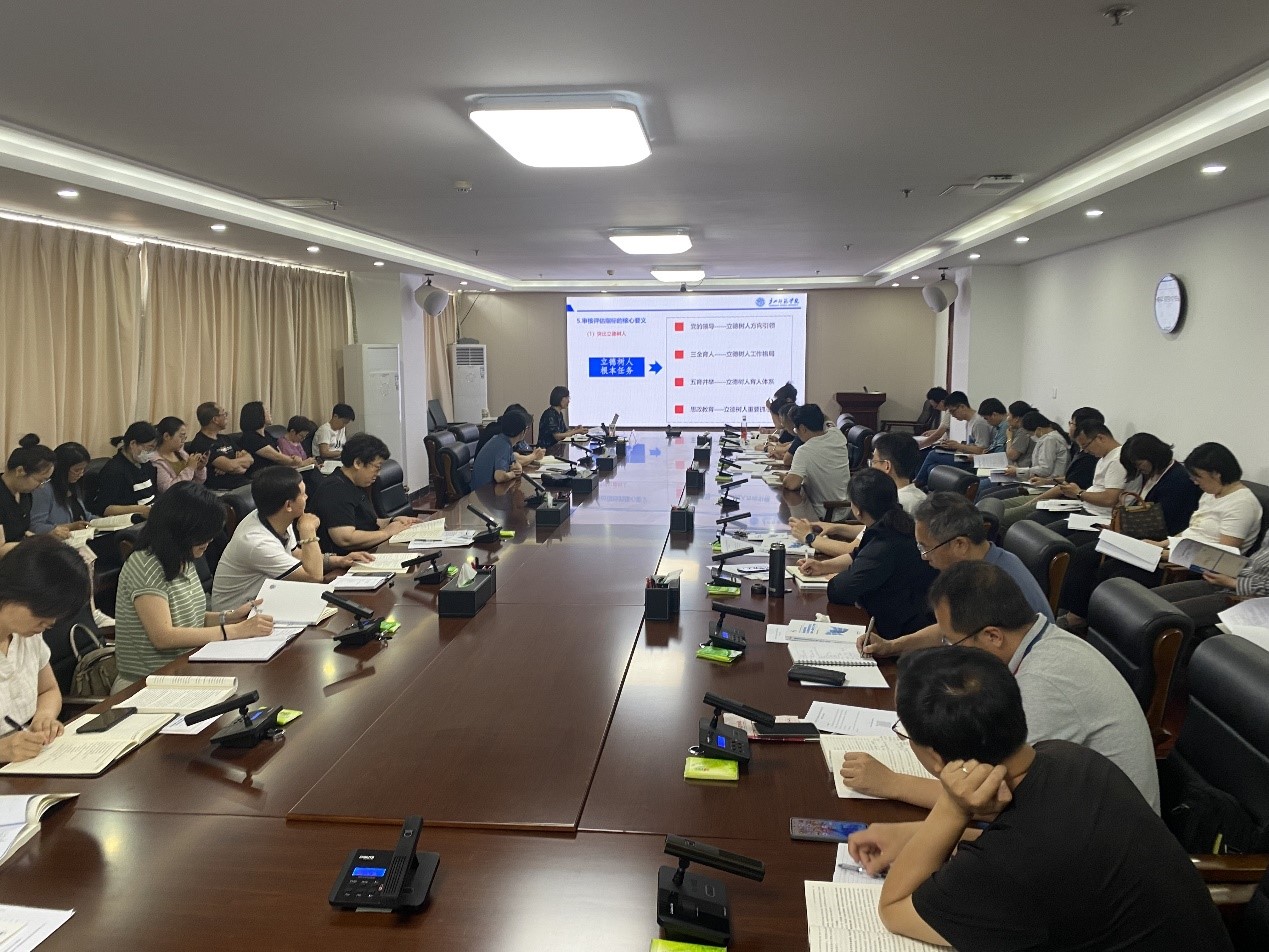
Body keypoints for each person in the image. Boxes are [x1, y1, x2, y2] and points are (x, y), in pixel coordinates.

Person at [846, 645, 1231, 951]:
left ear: (934, 756)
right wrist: (916, 834)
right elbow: (1031, 840)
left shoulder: (1009, 869)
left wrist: (952, 805)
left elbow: (895, 908)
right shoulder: (1067, 756)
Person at [841, 561, 1159, 811]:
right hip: (1071, 815)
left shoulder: (1044, 684)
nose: (950, 652)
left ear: (992, 635)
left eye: (953, 642)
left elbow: (993, 799)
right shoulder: (1040, 640)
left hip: (1103, 848)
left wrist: (892, 783)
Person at [112, 482, 274, 689]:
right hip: (147, 682)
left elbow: (190, 620)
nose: (209, 540)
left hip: (185, 669)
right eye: (203, 534)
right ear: (181, 530)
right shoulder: (145, 565)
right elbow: (163, 636)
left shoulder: (183, 558)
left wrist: (229, 617)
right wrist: (234, 631)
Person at [856, 491, 1054, 659]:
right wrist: (891, 646)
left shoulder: (992, 584)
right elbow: (950, 628)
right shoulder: (981, 565)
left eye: (926, 548)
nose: (924, 557)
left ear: (960, 544)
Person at [1055, 433, 1203, 622]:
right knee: (1082, 553)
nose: (1138, 469)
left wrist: (1126, 531)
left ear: (1152, 456)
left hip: (1157, 540)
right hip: (1139, 535)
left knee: (1095, 561)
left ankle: (1080, 616)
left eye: (1139, 464)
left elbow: (1168, 523)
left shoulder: (1178, 480)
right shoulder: (1152, 474)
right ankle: (1073, 610)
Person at [798, 468, 937, 637]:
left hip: (900, 631)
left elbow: (839, 591)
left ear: (858, 510)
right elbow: (858, 554)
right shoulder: (897, 522)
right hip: (912, 615)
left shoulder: (885, 541)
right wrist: (823, 566)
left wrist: (844, 575)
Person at [211, 466, 372, 610]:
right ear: (288, 505)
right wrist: (308, 530)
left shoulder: (276, 516)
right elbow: (314, 578)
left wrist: (339, 560)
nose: (307, 497)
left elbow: (295, 555)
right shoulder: (257, 542)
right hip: (238, 616)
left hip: (267, 600)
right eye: (303, 494)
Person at [0, 536, 91, 762]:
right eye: (43, 612)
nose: (49, 623)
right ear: (13, 592)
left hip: (30, 761)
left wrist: (44, 717)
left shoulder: (27, 635)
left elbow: (48, 690)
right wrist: (2, 749)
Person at [786, 431, 925, 560]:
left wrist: (808, 537)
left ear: (886, 466)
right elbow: (870, 531)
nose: (871, 466)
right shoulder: (916, 497)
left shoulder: (896, 502)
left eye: (874, 461)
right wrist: (835, 527)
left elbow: (852, 550)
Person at [310, 433, 420, 554]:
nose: (378, 474)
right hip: (346, 559)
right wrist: (387, 532)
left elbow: (367, 522)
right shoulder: (335, 489)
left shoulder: (356, 483)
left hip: (367, 551)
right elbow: (345, 538)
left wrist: (392, 521)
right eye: (377, 468)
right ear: (358, 463)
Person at [1000, 406, 1102, 527]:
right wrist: (1047, 481)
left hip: (1057, 496)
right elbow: (1068, 478)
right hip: (1048, 487)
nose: (1069, 426)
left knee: (1003, 515)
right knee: (997, 505)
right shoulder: (1079, 449)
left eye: (1071, 423)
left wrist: (1033, 500)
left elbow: (1049, 473)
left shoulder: (1087, 455)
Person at [1022, 419, 1125, 533]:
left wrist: (1079, 493)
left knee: (1042, 534)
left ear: (1100, 438)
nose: (1086, 451)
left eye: (1086, 445)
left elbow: (1109, 499)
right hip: (1087, 510)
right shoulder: (1104, 457)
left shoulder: (1117, 460)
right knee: (1034, 523)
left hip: (1100, 518)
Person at [913, 393, 1002, 486]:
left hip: (974, 461)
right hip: (967, 457)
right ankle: (924, 486)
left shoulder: (978, 423)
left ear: (962, 407)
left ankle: (917, 482)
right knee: (932, 467)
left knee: (933, 454)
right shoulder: (970, 422)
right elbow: (972, 446)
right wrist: (953, 446)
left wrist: (958, 446)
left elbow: (981, 450)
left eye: (953, 411)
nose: (952, 415)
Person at [782, 404, 851, 519]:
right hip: (847, 507)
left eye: (796, 429)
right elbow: (826, 418)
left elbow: (791, 484)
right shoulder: (837, 434)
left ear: (802, 428)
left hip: (827, 512)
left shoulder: (804, 451)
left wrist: (785, 478)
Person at [981, 410, 1069, 499]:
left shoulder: (1049, 440)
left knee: (989, 496)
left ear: (1038, 429)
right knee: (987, 493)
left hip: (1044, 487)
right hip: (1036, 483)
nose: (1030, 436)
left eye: (1029, 433)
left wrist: (1017, 471)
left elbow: (1045, 469)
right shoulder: (1048, 438)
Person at [90, 421, 159, 519]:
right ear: (133, 444)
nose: (151, 452)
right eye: (149, 448)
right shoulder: (114, 470)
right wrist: (139, 509)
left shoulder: (146, 465)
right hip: (130, 520)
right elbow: (104, 508)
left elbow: (153, 493)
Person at [0, 435, 55, 557]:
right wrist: (37, 544)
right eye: (40, 480)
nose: (41, 486)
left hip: (18, 556)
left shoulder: (24, 494)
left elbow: (22, 533)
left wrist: (47, 539)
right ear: (20, 471)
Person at [29, 441, 94, 537]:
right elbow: (35, 526)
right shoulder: (43, 488)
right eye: (77, 470)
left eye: (83, 469)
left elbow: (83, 515)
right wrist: (71, 527)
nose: (81, 474)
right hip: (56, 541)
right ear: (62, 468)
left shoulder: (73, 484)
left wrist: (103, 521)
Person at [189, 401, 252, 490]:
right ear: (215, 420)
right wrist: (234, 465)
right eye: (224, 414)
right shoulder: (201, 443)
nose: (226, 416)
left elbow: (250, 459)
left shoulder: (225, 438)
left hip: (243, 483)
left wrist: (234, 465)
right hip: (224, 489)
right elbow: (231, 467)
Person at [239, 401, 307, 476]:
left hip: (275, 472)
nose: (270, 414)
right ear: (257, 415)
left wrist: (293, 459)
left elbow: (279, 453)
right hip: (261, 475)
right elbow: (277, 457)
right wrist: (296, 461)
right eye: (267, 411)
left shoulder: (267, 434)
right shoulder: (250, 438)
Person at [471, 410, 527, 491]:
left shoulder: (501, 440)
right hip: (484, 491)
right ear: (522, 432)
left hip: (483, 490)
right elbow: (500, 477)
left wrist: (518, 468)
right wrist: (513, 474)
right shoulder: (503, 446)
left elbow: (515, 464)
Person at [152, 416, 208, 494]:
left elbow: (197, 483)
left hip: (190, 495)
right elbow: (167, 489)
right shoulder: (156, 461)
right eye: (181, 436)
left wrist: (199, 468)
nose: (183, 441)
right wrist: (190, 468)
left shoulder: (181, 453)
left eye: (185, 437)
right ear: (166, 436)